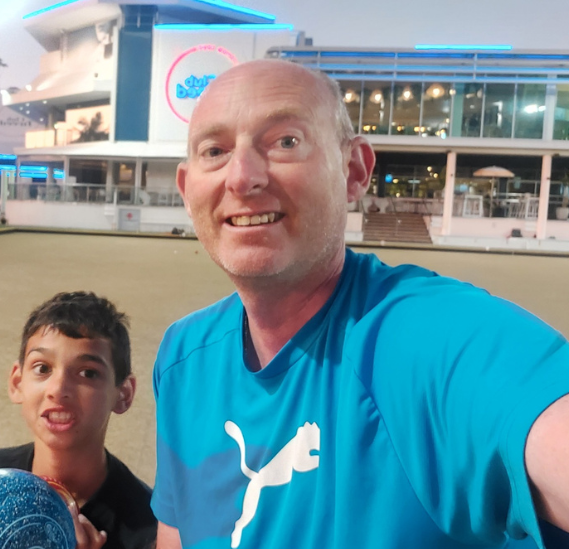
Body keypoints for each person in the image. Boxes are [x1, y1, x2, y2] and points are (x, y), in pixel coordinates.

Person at [152, 58, 569, 549]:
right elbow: (177, 535)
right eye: (215, 150)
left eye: (286, 141)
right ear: (186, 188)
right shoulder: (183, 358)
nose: (242, 177)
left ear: (354, 170)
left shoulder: (424, 337)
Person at [0, 291, 157, 549]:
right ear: (17, 382)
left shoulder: (148, 529)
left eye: (88, 373)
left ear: (123, 394)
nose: (58, 389)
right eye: (42, 368)